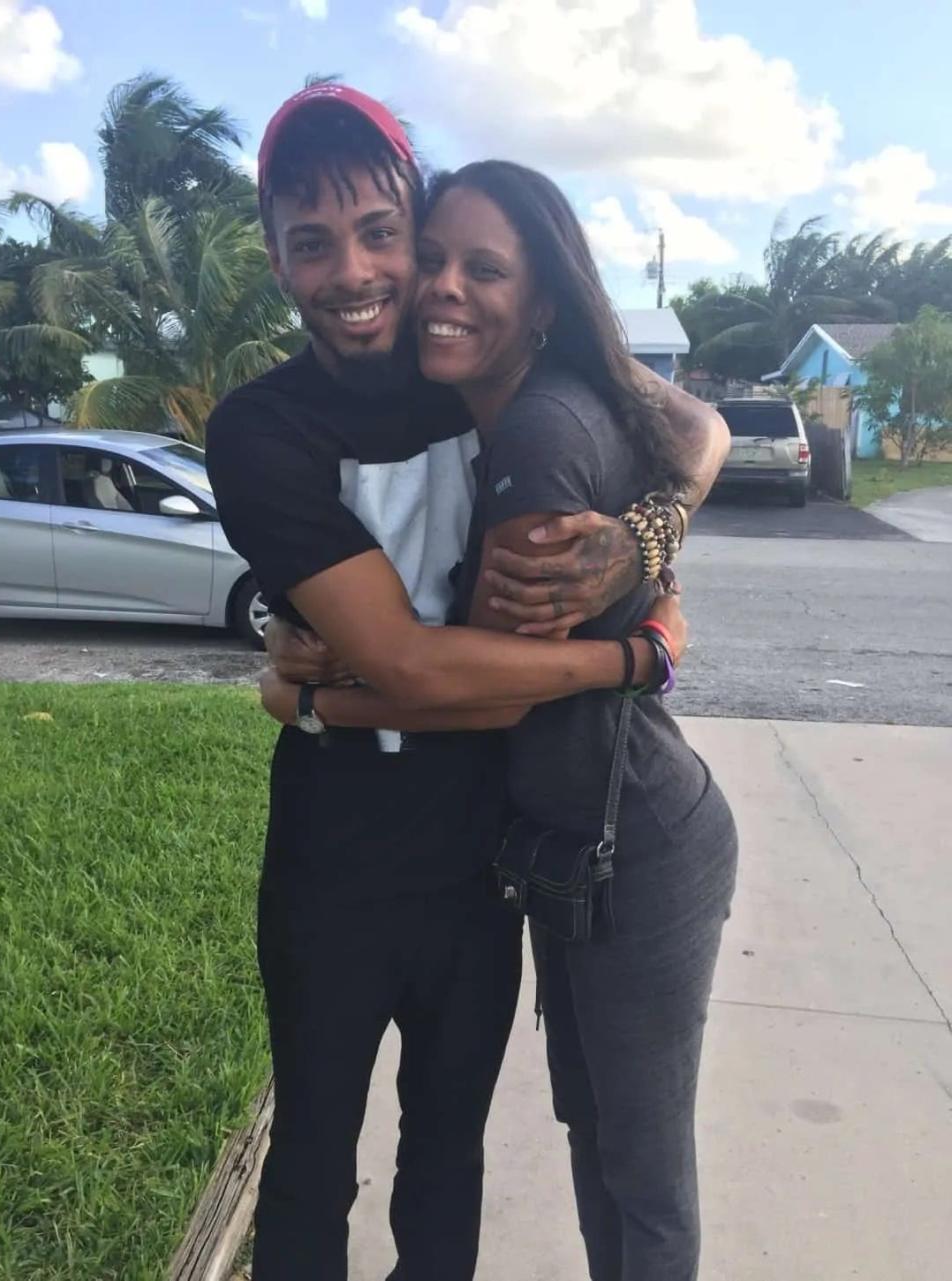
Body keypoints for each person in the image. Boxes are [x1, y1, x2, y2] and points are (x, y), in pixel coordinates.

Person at [207, 82, 729, 1281]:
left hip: (480, 862)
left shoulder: (466, 366)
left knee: (447, 1158)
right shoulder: (261, 430)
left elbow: (693, 422)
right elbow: (420, 666)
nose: (358, 272)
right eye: (312, 242)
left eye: (381, 232)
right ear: (280, 262)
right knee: (312, 1168)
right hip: (334, 869)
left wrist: (649, 535)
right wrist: (636, 654)